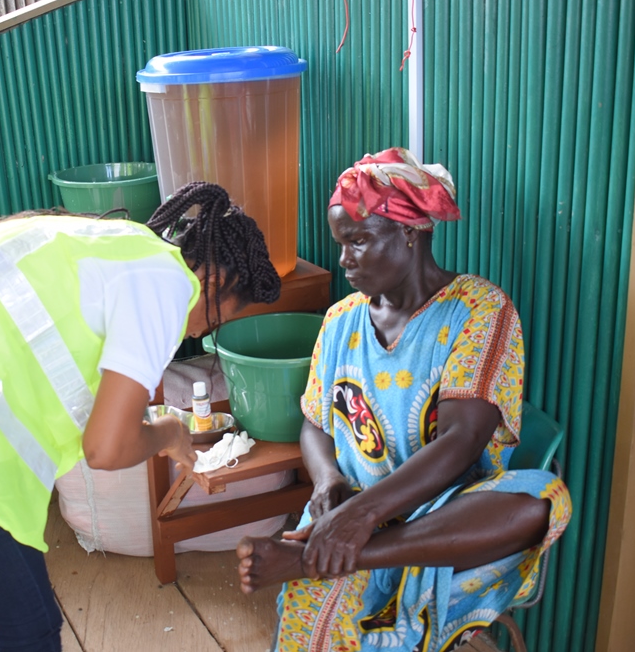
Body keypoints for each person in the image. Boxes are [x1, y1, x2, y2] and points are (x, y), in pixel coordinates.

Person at [0, 181, 281, 652]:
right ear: (214, 283)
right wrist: (170, 433)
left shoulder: (118, 242)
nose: (200, 331)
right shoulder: (168, 285)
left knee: (36, 616)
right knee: (29, 630)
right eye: (214, 320)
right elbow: (106, 449)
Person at [236, 149, 572, 652]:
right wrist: (329, 481)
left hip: (444, 517)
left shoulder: (479, 310)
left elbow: (461, 441)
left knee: (544, 502)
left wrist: (359, 520)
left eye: (360, 241)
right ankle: (336, 554)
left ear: (411, 234)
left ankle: (320, 557)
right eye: (341, 244)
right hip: (351, 501)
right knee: (326, 619)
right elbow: (315, 423)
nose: (344, 259)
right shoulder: (341, 320)